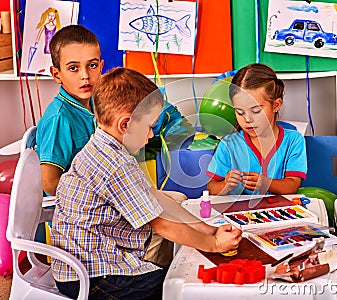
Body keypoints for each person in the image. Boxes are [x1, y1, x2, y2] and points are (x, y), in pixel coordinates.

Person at [51, 67, 242, 300]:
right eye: (150, 127)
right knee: (179, 286)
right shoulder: (114, 164)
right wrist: (213, 244)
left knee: (173, 274)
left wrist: (207, 229)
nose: (151, 135)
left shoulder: (108, 147)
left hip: (93, 266)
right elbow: (163, 225)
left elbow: (154, 197)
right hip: (92, 278)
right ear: (125, 125)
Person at [206, 63, 307, 195]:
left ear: (276, 105)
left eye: (256, 110)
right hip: (239, 213)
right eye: (240, 112)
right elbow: (211, 188)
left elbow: (292, 185)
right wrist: (225, 184)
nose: (248, 119)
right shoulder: (228, 144)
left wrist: (266, 183)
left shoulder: (293, 140)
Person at [36, 24, 104, 196]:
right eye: (73, 68)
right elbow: (50, 183)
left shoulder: (98, 105)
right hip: (75, 211)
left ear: (101, 67)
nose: (85, 76)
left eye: (92, 65)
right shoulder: (59, 119)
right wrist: (96, 196)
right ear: (56, 74)